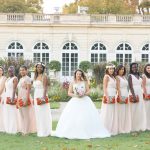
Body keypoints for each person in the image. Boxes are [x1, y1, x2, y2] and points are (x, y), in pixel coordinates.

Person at [54, 69, 110, 139]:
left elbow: (88, 91)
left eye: (80, 74)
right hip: (75, 101)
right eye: (77, 74)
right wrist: (76, 95)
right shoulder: (72, 82)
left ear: (82, 75)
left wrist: (83, 94)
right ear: (75, 74)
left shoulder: (85, 82)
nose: (79, 75)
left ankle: (88, 130)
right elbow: (69, 93)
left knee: (86, 116)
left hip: (85, 100)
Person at [33, 62, 52, 137]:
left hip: (41, 95)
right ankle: (40, 130)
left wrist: (43, 98)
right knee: (38, 114)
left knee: (43, 113)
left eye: (40, 67)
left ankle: (45, 131)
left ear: (43, 68)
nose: (39, 68)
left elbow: (45, 88)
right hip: (36, 95)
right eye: (38, 67)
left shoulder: (44, 76)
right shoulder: (36, 76)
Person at [17, 65, 36, 135]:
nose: (21, 71)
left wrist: (26, 99)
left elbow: (28, 90)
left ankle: (26, 131)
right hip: (20, 97)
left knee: (26, 115)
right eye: (20, 70)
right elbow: (19, 90)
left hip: (25, 97)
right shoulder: (20, 79)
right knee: (21, 115)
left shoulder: (28, 79)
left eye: (23, 70)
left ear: (26, 70)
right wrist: (18, 100)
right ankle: (23, 130)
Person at [101, 63, 118, 135]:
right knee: (107, 112)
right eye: (110, 69)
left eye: (112, 69)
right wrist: (107, 97)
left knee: (112, 112)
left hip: (113, 95)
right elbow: (104, 88)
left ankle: (111, 128)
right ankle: (105, 128)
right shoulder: (106, 76)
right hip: (108, 94)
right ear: (107, 69)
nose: (111, 70)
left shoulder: (114, 77)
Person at [128, 62, 146, 132]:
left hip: (140, 93)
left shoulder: (139, 75)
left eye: (136, 67)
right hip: (134, 93)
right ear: (131, 68)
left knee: (139, 110)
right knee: (133, 110)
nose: (134, 68)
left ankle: (139, 126)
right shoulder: (130, 76)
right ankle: (132, 127)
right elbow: (130, 86)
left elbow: (142, 85)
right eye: (133, 67)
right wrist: (134, 95)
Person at [116, 64, 131, 133]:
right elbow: (118, 88)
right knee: (120, 112)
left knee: (125, 112)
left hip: (126, 94)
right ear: (118, 70)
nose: (122, 70)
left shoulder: (124, 77)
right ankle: (120, 128)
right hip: (121, 94)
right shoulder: (117, 77)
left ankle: (124, 127)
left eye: (123, 69)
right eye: (121, 69)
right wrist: (120, 96)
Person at [3, 66, 18, 134]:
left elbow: (14, 89)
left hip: (12, 96)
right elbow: (5, 89)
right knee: (7, 112)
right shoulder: (7, 79)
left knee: (12, 113)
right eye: (9, 71)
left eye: (11, 71)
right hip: (6, 96)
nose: (10, 72)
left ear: (14, 71)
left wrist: (12, 98)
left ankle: (13, 129)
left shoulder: (15, 78)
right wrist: (4, 97)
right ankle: (7, 128)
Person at [142, 64, 150, 130]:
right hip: (146, 93)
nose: (149, 69)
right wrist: (146, 94)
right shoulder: (144, 76)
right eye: (148, 68)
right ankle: (145, 125)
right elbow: (143, 86)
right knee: (146, 110)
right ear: (145, 69)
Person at [0, 66, 7, 132]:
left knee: (2, 111)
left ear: (2, 72)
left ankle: (3, 127)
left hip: (2, 96)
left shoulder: (4, 78)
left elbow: (2, 88)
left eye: (0, 70)